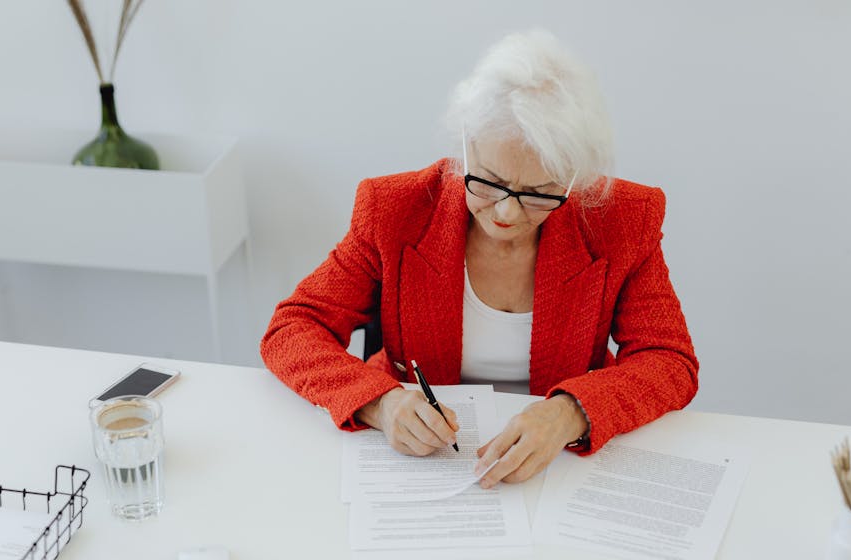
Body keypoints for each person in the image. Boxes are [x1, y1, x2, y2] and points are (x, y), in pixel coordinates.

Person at [260, 30, 698, 489]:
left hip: (560, 469)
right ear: (465, 146)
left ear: (576, 178)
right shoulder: (393, 210)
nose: (507, 212)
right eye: (488, 182)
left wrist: (571, 412)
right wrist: (380, 403)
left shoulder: (622, 219)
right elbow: (292, 330)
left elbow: (669, 360)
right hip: (422, 466)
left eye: (539, 194)